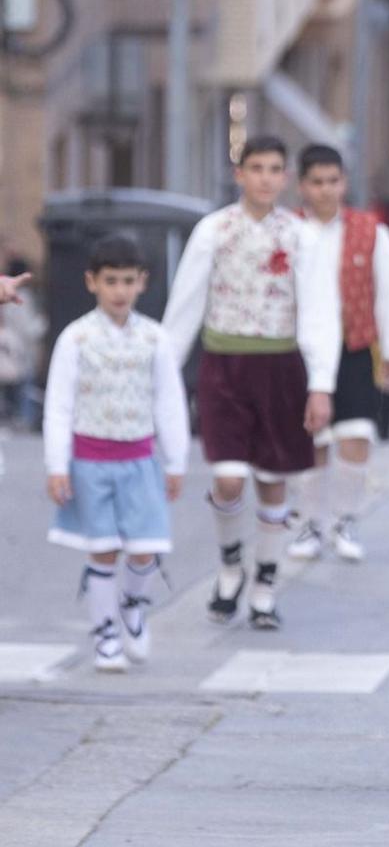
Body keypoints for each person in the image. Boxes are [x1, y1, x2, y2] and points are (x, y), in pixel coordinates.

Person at [162, 134, 339, 631]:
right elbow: (185, 304)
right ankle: (229, 562)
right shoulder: (213, 231)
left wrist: (320, 383)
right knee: (228, 475)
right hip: (225, 364)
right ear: (239, 174)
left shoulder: (302, 236)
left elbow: (320, 311)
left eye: (274, 169)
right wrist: (164, 375)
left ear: (285, 178)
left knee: (272, 478)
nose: (265, 178)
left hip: (280, 366)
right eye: (256, 168)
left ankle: (265, 580)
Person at [42, 234, 190, 672]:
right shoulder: (76, 338)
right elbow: (59, 404)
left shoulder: (155, 339)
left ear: (142, 282)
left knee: (144, 548)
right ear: (93, 282)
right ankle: (105, 631)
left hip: (140, 460)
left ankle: (132, 603)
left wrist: (176, 459)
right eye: (111, 281)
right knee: (103, 548)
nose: (120, 291)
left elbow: (168, 400)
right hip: (90, 461)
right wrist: (57, 465)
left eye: (128, 281)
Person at [287, 145, 389, 563]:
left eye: (334, 181)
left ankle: (345, 519)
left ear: (344, 183)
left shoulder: (369, 231)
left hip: (355, 345)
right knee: (310, 439)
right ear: (303, 185)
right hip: (301, 351)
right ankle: (311, 523)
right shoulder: (288, 231)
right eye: (317, 182)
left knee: (357, 433)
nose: (326, 190)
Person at [0, 253, 47, 426]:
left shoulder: (6, 290)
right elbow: (29, 328)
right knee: (25, 384)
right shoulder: (23, 296)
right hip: (22, 347)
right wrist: (44, 321)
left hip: (10, 344)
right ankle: (24, 417)